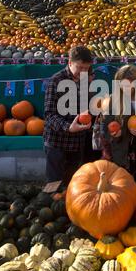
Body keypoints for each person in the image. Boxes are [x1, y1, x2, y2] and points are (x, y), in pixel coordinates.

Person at [43, 46, 92, 186]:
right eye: (80, 67)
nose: (83, 71)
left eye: (86, 68)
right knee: (54, 184)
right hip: (57, 142)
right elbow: (49, 115)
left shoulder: (84, 80)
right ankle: (50, 202)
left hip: (77, 142)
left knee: (73, 185)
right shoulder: (56, 81)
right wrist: (68, 127)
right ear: (70, 62)